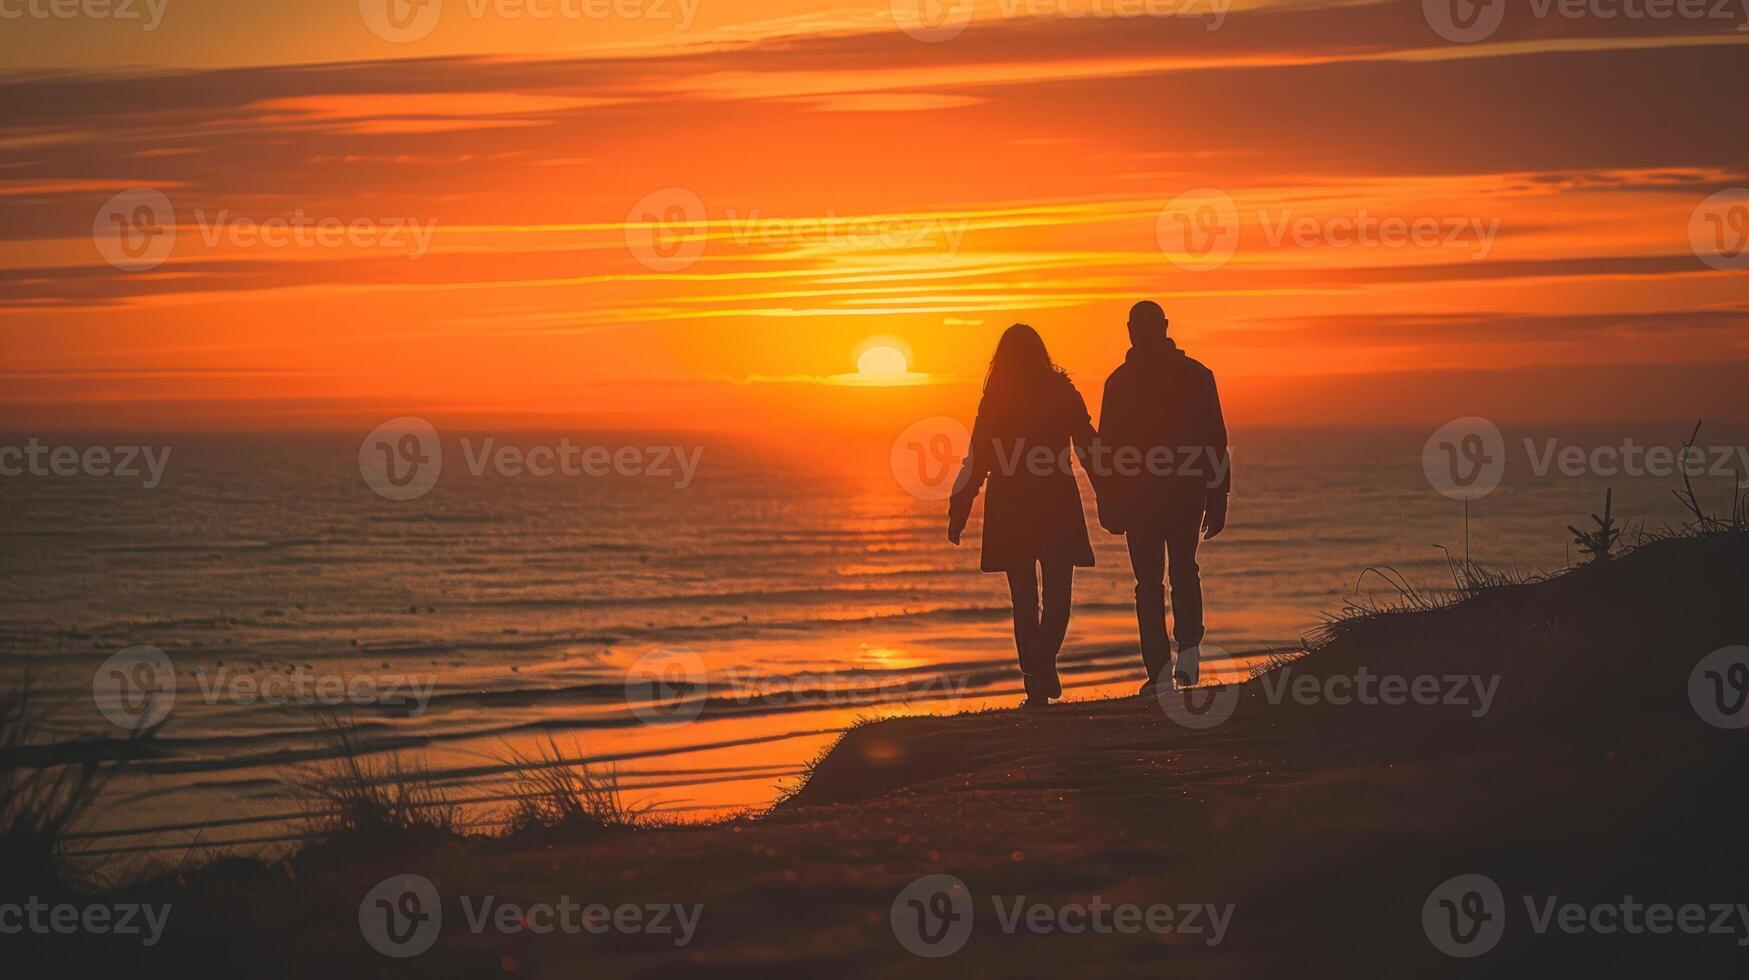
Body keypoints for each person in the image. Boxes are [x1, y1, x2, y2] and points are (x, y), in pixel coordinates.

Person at [948, 324, 1099, 708]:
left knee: (1025, 599)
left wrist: (961, 506)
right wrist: (1110, 489)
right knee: (1058, 593)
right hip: (1055, 498)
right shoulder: (1061, 391)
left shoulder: (997, 397)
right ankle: (1042, 665)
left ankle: (1036, 674)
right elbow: (1088, 444)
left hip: (1012, 501)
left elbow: (978, 457)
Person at [1096, 301, 1229, 692]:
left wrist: (1218, 495)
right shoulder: (1187, 376)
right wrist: (1217, 493)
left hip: (1162, 495)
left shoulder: (1129, 381)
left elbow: (1214, 439)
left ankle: (1168, 667)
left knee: (1160, 580)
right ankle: (1173, 664)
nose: (1144, 335)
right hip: (1166, 495)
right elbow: (1214, 440)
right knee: (1172, 576)